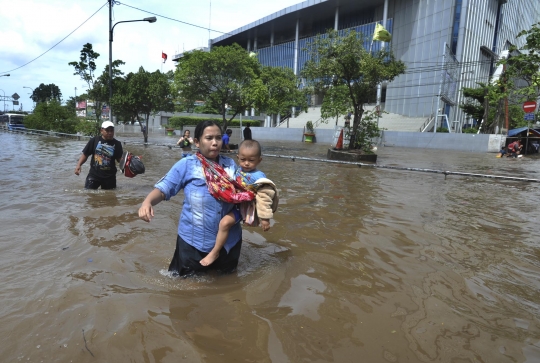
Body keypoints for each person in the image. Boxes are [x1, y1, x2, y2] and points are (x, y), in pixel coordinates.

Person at [138, 120, 253, 277]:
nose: (215, 143)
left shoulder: (230, 165)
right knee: (185, 288)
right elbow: (164, 189)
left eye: (218, 138)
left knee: (227, 283)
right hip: (194, 242)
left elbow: (245, 191)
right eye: (209, 138)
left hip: (229, 242)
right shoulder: (187, 165)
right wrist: (147, 202)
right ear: (197, 142)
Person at [200, 139, 279, 266]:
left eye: (251, 160)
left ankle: (215, 252)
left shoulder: (258, 176)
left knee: (224, 223)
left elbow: (265, 196)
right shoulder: (237, 169)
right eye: (243, 159)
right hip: (235, 202)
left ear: (259, 160)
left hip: (244, 207)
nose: (246, 163)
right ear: (238, 158)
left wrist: (265, 218)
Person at [74, 121, 123, 189]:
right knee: (89, 194)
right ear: (101, 131)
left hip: (109, 177)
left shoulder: (117, 144)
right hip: (94, 175)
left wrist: (127, 162)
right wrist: (78, 165)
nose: (110, 133)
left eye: (111, 131)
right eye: (107, 130)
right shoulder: (94, 140)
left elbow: (119, 159)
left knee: (109, 197)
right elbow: (85, 154)